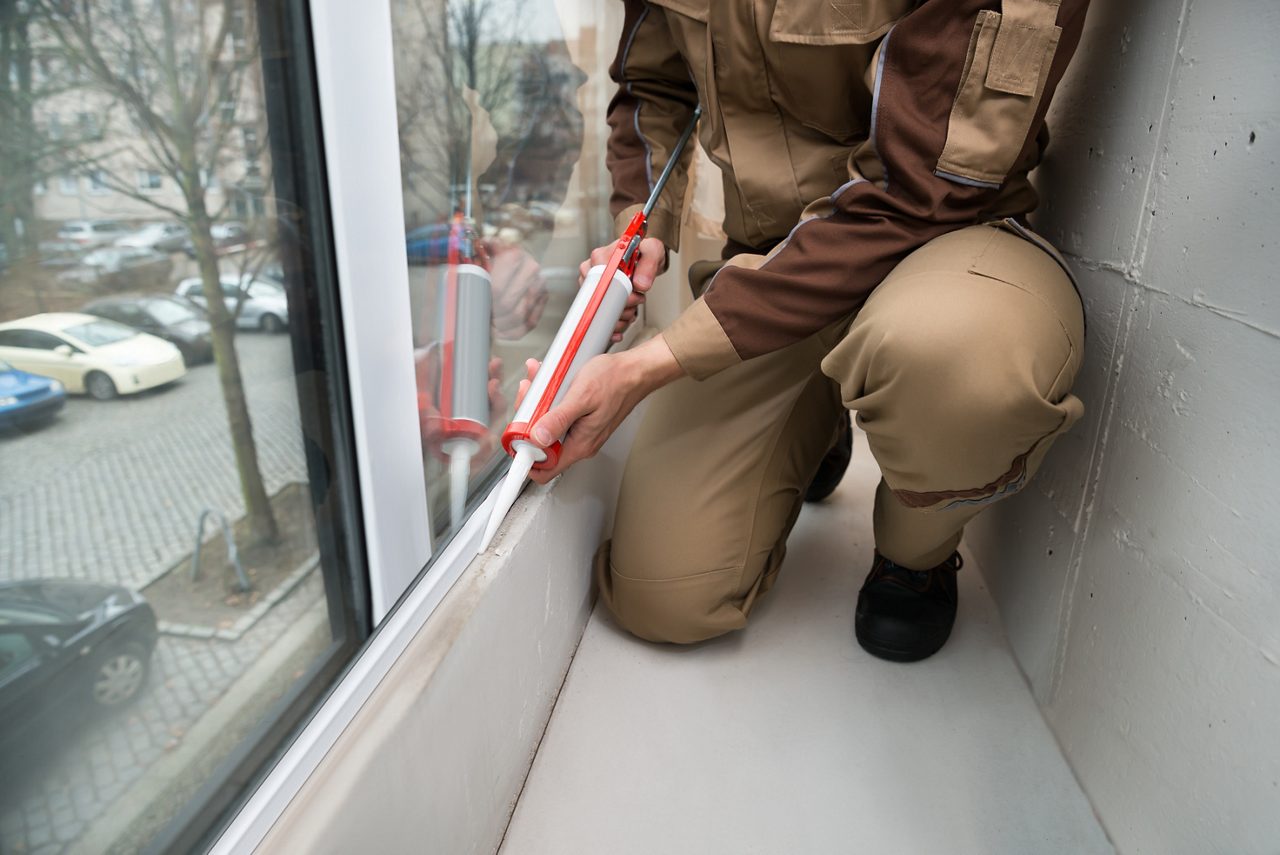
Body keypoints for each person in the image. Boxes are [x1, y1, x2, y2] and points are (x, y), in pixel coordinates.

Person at [524, 0, 1091, 661]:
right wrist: (640, 222)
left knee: (958, 361)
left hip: (943, 238)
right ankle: (817, 421)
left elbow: (921, 188)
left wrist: (648, 364)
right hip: (771, 258)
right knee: (662, 595)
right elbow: (654, 81)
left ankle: (915, 555)